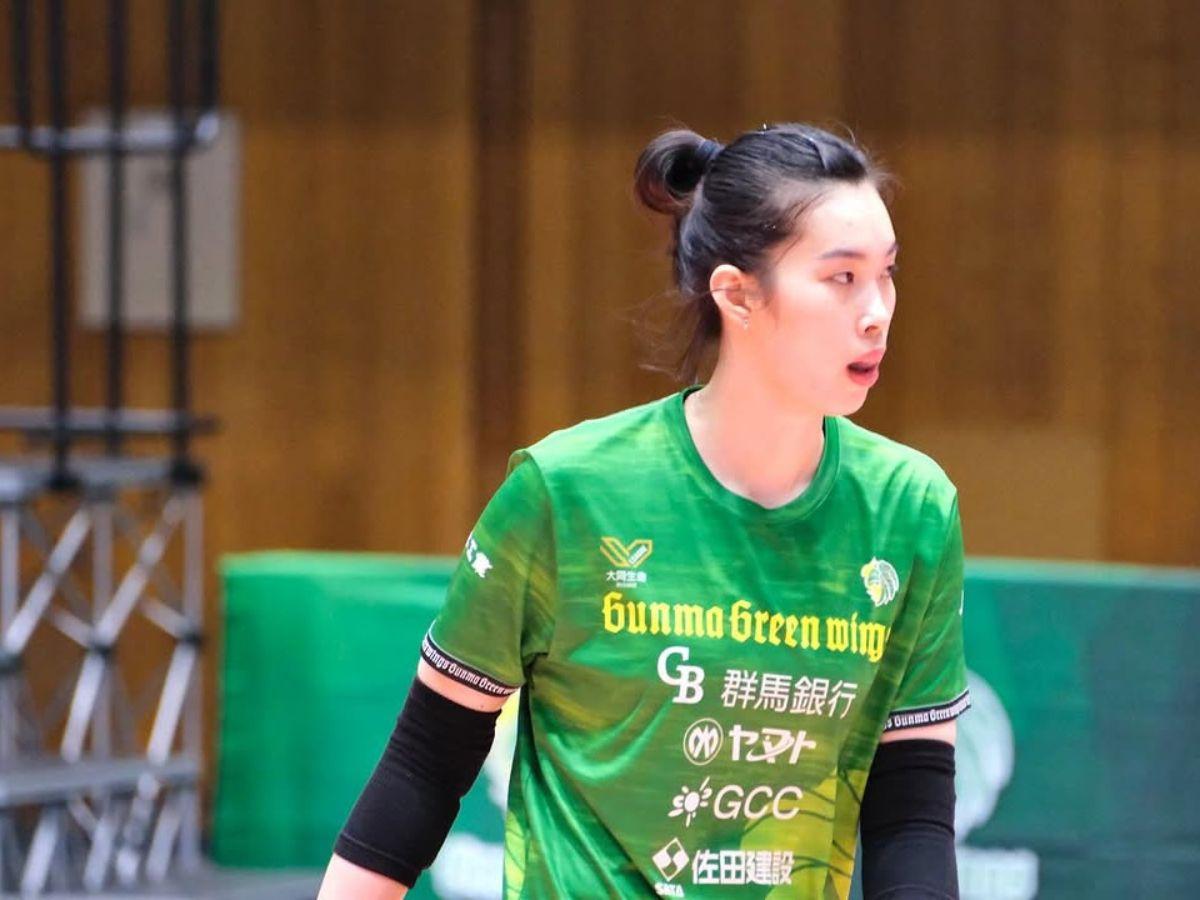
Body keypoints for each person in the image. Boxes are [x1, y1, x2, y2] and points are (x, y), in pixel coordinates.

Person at [318, 122, 968, 900]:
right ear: (737, 294)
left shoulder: (911, 509)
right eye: (842, 278)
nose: (877, 311)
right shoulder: (567, 491)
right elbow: (424, 768)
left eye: (886, 274)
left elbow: (910, 818)